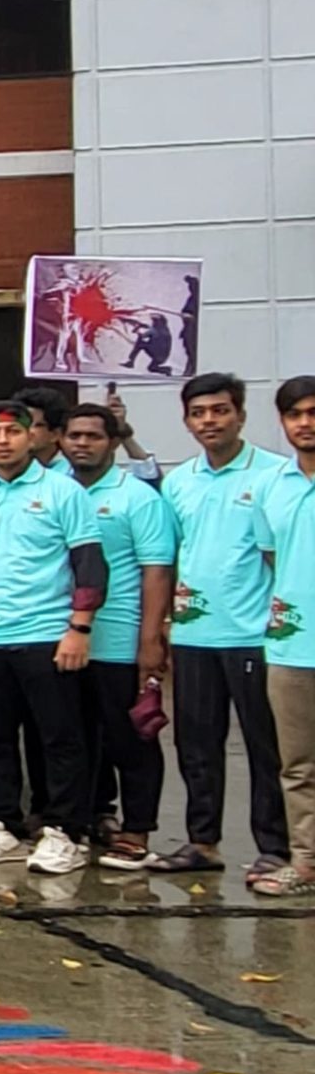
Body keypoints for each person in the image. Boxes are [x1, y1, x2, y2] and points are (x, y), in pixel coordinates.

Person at [0, 399, 106, 875]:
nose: (3, 441)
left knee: (60, 738)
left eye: (13, 432)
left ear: (31, 437)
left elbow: (89, 567)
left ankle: (66, 832)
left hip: (48, 636)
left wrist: (79, 629)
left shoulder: (63, 492)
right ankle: (3, 825)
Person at [156, 373, 291, 876]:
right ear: (186, 420)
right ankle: (202, 843)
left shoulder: (276, 475)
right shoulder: (179, 481)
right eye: (198, 413)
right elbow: (171, 555)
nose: (209, 421)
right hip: (193, 634)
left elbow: (282, 557)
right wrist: (165, 622)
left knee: (265, 749)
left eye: (220, 410)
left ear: (241, 415)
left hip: (256, 636)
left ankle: (274, 848)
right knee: (196, 744)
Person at [59, 403, 177, 871]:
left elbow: (156, 570)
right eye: (74, 436)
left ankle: (137, 829)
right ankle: (85, 820)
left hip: (120, 639)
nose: (82, 444)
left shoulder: (137, 498)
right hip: (62, 639)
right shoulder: (55, 490)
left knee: (130, 738)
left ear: (112, 442)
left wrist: (151, 639)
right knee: (75, 738)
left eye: (93, 436)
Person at [251, 375, 315, 895]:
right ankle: (307, 864)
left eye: (314, 412)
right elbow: (273, 557)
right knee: (298, 765)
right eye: (295, 414)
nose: (306, 423)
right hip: (292, 645)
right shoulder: (272, 486)